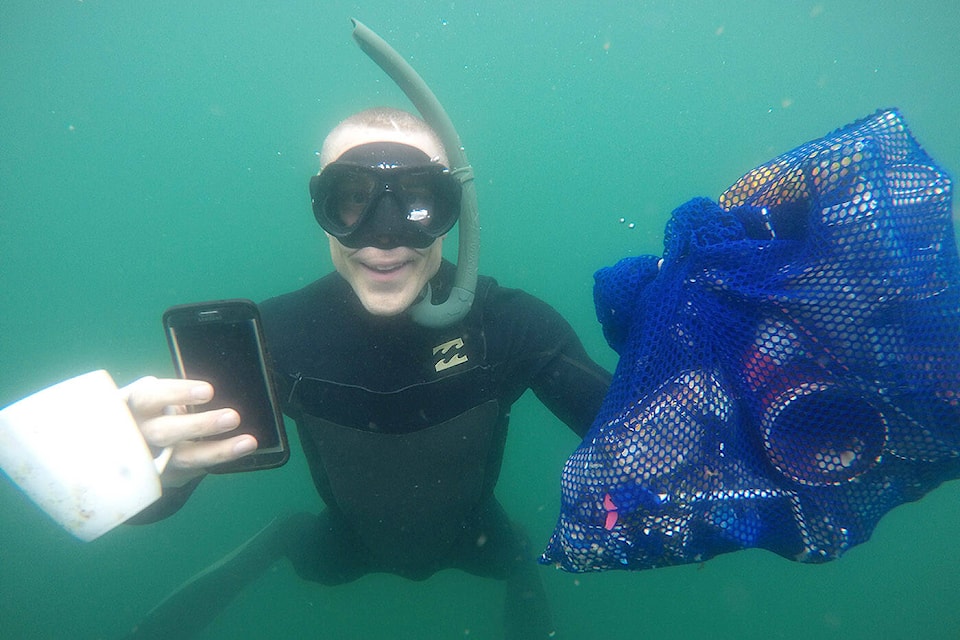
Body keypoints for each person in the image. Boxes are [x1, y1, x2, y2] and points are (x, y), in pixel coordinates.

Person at [123, 107, 610, 639]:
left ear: (454, 208)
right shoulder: (273, 337)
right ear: (321, 205)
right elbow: (146, 506)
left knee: (516, 554)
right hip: (344, 543)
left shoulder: (510, 325)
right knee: (334, 556)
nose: (384, 237)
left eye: (418, 199)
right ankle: (285, 534)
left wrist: (696, 349)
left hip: (476, 534)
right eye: (354, 198)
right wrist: (143, 470)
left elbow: (647, 449)